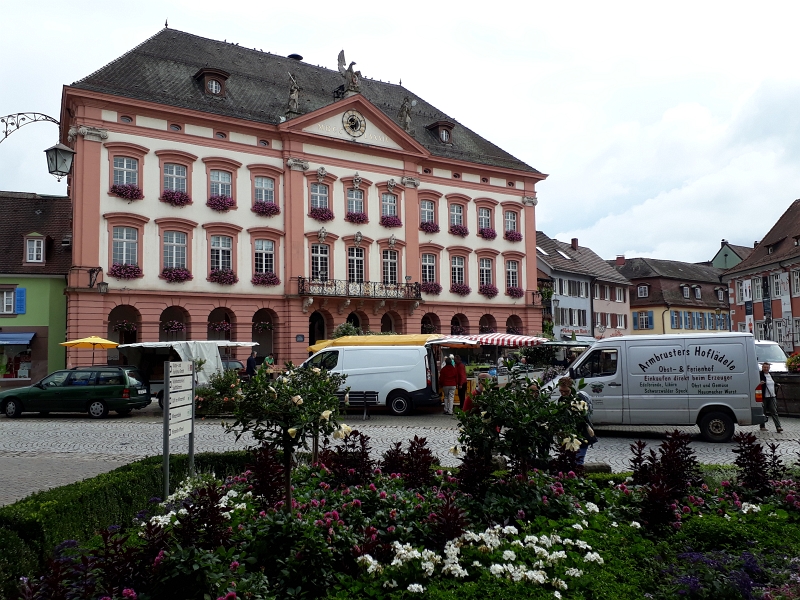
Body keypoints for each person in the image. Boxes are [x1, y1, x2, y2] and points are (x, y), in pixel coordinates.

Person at [558, 376, 596, 466]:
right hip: (568, 437)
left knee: (578, 462)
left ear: (572, 388)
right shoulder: (561, 400)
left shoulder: (579, 399)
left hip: (581, 435)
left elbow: (584, 418)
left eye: (566, 391)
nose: (563, 393)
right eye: (561, 391)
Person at [759, 362, 783, 433]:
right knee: (763, 412)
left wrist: (776, 384)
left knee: (774, 411)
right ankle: (762, 426)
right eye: (764, 367)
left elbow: (771, 383)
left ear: (769, 368)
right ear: (762, 368)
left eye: (767, 367)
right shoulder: (760, 375)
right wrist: (760, 383)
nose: (766, 369)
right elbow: (755, 383)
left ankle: (778, 426)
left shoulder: (770, 375)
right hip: (764, 396)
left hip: (772, 396)